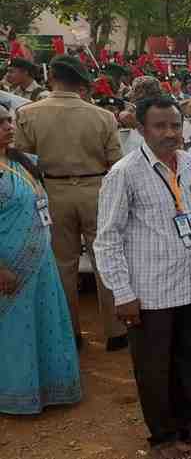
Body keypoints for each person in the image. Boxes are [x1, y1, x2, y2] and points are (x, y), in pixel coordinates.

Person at [95, 95, 191, 457]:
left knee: (189, 359)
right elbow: (106, 239)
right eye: (160, 126)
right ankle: (163, 438)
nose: (170, 133)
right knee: (154, 368)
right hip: (149, 292)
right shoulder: (124, 174)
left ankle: (187, 422)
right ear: (141, 129)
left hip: (190, 284)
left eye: (175, 125)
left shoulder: (189, 163)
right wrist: (122, 293)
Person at [14, 55, 127, 351]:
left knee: (63, 264)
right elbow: (116, 162)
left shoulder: (28, 113)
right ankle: (115, 330)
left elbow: (23, 159)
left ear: (51, 77)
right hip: (97, 189)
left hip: (52, 191)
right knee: (106, 260)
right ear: (81, 83)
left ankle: (70, 331)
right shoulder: (102, 116)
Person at [0, 104, 82, 415]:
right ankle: (14, 394)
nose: (9, 126)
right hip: (9, 265)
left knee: (44, 321)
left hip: (41, 261)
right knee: (14, 329)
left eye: (9, 120)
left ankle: (50, 388)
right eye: (1, 123)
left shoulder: (23, 162)